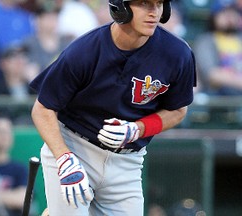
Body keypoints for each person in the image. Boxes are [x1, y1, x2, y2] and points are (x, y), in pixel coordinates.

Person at [30, 0, 196, 215]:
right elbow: (42, 109)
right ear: (121, 6)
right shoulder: (85, 50)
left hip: (127, 161)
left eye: (158, 4)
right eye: (144, 3)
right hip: (75, 148)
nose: (153, 12)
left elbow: (178, 110)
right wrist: (64, 158)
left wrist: (138, 128)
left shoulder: (178, 53)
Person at [193, 0, 242, 95]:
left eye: (233, 12)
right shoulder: (206, 40)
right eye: (224, 12)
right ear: (214, 17)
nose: (229, 17)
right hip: (217, 96)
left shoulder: (240, 39)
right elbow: (212, 75)